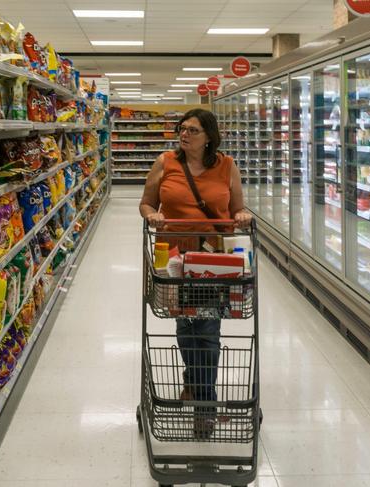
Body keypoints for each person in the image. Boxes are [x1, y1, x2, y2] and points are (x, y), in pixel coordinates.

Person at [139, 108, 252, 438]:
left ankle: (205, 405)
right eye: (182, 129)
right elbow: (146, 202)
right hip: (172, 257)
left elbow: (237, 209)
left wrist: (242, 215)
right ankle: (193, 381)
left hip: (213, 259)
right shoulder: (165, 162)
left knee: (207, 327)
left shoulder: (227, 166)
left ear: (209, 138)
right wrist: (152, 216)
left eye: (192, 130)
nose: (184, 134)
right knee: (185, 325)